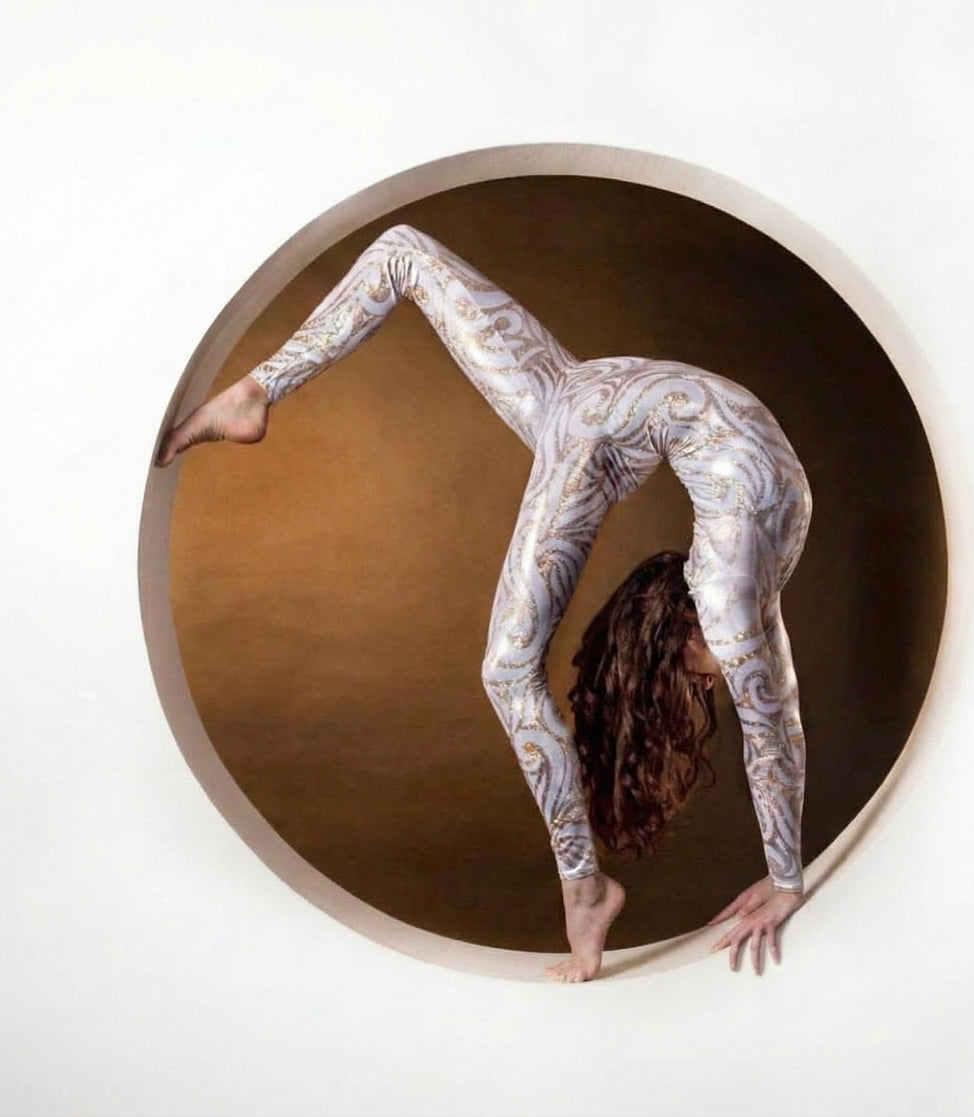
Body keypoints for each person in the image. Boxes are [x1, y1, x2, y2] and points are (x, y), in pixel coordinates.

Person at [157, 224, 813, 982]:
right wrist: (786, 880)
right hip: (592, 424)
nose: (713, 681)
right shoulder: (732, 595)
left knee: (405, 251)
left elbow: (779, 720)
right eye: (701, 675)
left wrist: (788, 873)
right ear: (683, 622)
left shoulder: (744, 577)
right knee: (506, 670)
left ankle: (254, 393)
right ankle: (585, 887)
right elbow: (772, 727)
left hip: (588, 392)